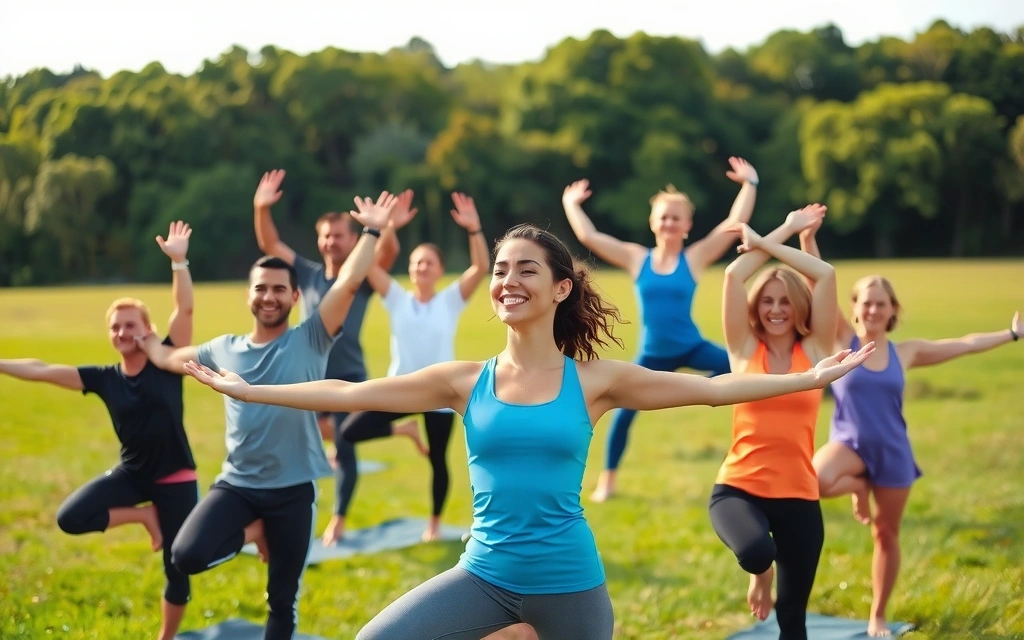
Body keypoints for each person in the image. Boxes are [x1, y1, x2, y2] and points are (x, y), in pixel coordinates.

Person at [180, 223, 874, 640]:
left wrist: (807, 380)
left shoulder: (595, 381)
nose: (508, 280)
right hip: (484, 573)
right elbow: (350, 390)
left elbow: (713, 389)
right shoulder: (462, 380)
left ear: (560, 288)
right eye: (501, 270)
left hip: (571, 584)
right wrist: (246, 387)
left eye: (526, 270)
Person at [137, 194, 395, 640]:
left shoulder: (313, 337)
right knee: (185, 556)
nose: (269, 296)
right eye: (261, 288)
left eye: (279, 289)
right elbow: (169, 357)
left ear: (296, 297)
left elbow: (350, 282)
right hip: (238, 486)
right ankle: (255, 530)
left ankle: (265, 533)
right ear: (248, 295)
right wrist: (146, 344)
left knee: (282, 602)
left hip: (294, 492)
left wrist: (371, 231)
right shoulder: (222, 349)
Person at [800, 222, 1023, 638]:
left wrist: (1012, 334)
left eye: (881, 304)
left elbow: (966, 343)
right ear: (854, 307)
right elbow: (818, 276)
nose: (873, 311)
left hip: (893, 453)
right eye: (866, 303)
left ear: (892, 310)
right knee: (810, 481)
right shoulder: (840, 338)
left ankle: (878, 615)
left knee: (886, 534)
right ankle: (857, 486)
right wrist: (807, 237)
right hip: (848, 444)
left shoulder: (907, 352)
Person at [0, 222, 198, 640]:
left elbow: (185, 311)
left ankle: (166, 637)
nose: (123, 332)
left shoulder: (166, 361)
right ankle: (145, 516)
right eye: (116, 327)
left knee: (178, 569)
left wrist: (178, 262)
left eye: (131, 325)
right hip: (134, 474)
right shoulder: (105, 378)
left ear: (145, 329)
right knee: (71, 516)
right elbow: (42, 371)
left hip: (176, 477)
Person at [561, 158, 761, 502]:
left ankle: (754, 447)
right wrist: (570, 204)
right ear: (653, 223)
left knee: (748, 366)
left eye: (676, 218)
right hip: (652, 353)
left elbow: (734, 223)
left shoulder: (695, 258)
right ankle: (607, 480)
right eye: (663, 217)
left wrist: (750, 184)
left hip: (691, 346)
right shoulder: (637, 258)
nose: (669, 222)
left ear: (687, 225)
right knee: (622, 413)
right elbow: (589, 236)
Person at [253, 169, 407, 545]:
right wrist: (261, 208)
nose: (331, 242)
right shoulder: (306, 273)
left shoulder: (365, 276)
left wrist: (386, 228)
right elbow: (271, 243)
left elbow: (386, 254)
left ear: (353, 239)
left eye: (339, 236)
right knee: (292, 437)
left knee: (345, 443)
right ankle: (270, 514)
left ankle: (338, 518)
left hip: (350, 376)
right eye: (326, 236)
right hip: (308, 373)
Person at [710, 206, 840, 640]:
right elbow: (732, 276)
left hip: (800, 494)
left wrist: (764, 243)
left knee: (793, 621)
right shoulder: (744, 348)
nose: (776, 309)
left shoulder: (818, 350)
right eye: (767, 300)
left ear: (798, 305)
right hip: (739, 488)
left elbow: (825, 275)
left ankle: (771, 583)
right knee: (755, 551)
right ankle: (760, 572)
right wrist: (785, 228)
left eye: (785, 300)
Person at [340, 191, 490, 542]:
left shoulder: (450, 300)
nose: (421, 267)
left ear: (439, 270)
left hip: (439, 393)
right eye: (416, 263)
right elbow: (369, 266)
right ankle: (403, 430)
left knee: (438, 460)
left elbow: (481, 267)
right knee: (349, 432)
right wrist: (387, 228)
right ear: (410, 269)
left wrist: (474, 229)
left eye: (428, 263)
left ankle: (435, 523)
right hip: (402, 389)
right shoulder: (396, 297)